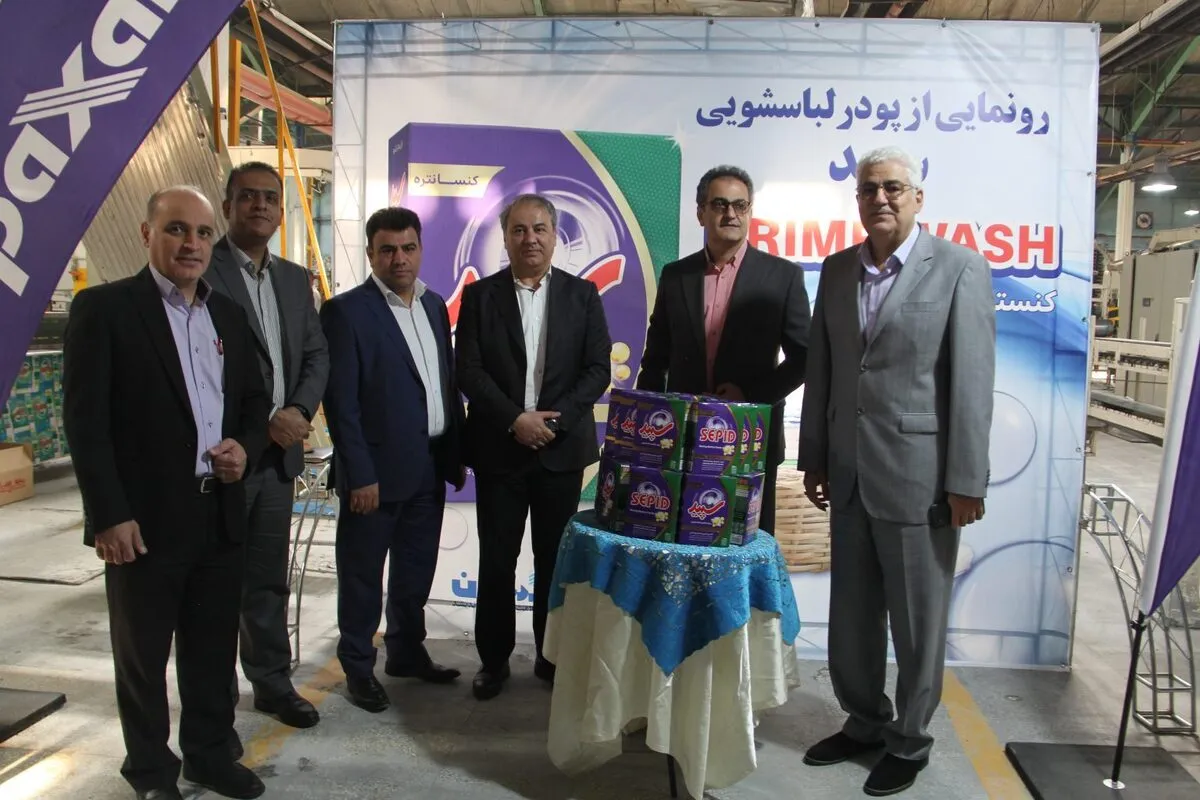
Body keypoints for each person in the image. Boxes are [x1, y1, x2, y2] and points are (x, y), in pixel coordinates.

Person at [797, 145, 995, 797]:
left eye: (892, 188)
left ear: (917, 198)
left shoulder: (959, 268)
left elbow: (972, 383)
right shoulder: (836, 271)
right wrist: (814, 456)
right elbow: (823, 369)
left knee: (917, 623)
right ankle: (863, 721)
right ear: (856, 199)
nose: (879, 198)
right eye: (868, 189)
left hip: (922, 479)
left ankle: (910, 740)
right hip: (849, 473)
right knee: (852, 618)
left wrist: (967, 480)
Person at [63, 186, 271, 800]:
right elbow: (86, 424)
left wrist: (244, 448)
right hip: (144, 522)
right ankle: (151, 771)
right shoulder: (105, 309)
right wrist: (109, 515)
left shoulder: (226, 314)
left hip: (218, 512)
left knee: (211, 651)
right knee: (143, 657)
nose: (192, 244)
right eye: (177, 229)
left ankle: (208, 755)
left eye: (203, 233)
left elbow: (253, 402)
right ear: (147, 234)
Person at [455, 193, 611, 700]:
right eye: (519, 230)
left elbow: (597, 371)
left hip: (559, 453)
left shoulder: (582, 295)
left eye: (539, 229)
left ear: (555, 235)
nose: (530, 239)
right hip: (500, 450)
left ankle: (551, 657)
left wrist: (553, 423)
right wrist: (515, 420)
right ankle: (493, 660)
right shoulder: (481, 297)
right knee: (497, 561)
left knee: (555, 562)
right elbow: (468, 371)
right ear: (505, 238)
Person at [320, 207, 466, 713]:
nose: (398, 259)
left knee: (415, 570)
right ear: (370, 254)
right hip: (374, 477)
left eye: (407, 248)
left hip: (428, 466)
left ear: (420, 249)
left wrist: (454, 453)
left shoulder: (434, 304)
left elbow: (443, 382)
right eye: (387, 249)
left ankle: (405, 652)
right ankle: (358, 668)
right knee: (362, 577)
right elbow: (342, 403)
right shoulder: (346, 313)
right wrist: (359, 473)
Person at [206, 161, 329, 730]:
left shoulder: (293, 279)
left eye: (270, 198)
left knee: (267, 579)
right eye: (248, 196)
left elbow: (316, 355)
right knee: (216, 583)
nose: (260, 206)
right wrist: (261, 429)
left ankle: (271, 682)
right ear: (228, 206)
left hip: (279, 460)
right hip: (223, 458)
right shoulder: (203, 270)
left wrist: (299, 411)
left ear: (282, 210)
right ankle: (213, 698)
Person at [636, 165, 810, 533]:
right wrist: (646, 428)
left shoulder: (783, 276)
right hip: (682, 439)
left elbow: (804, 358)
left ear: (749, 212)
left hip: (750, 437)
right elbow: (655, 358)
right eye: (719, 204)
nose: (730, 214)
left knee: (746, 547)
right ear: (701, 212)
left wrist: (751, 396)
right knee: (680, 543)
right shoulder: (676, 275)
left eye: (740, 205)